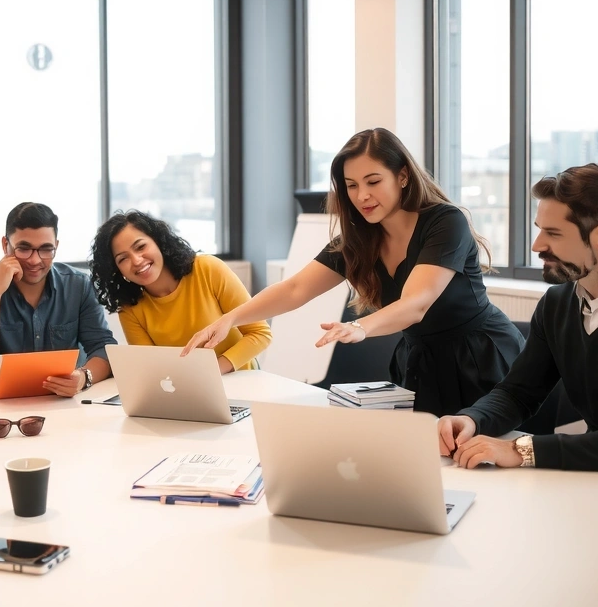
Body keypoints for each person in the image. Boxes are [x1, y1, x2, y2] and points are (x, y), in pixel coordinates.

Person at [184, 127, 524, 416]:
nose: (362, 196)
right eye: (351, 185)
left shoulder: (444, 221)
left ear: (403, 175)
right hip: (420, 363)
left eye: (373, 181)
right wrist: (229, 319)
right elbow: (295, 290)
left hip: (480, 357)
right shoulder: (358, 240)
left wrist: (359, 327)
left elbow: (417, 303)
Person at [440, 164, 598, 472]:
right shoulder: (557, 303)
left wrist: (523, 450)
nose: (537, 245)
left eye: (553, 233)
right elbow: (518, 393)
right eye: (539, 229)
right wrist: (472, 418)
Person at [0, 202, 116, 397]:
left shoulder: (79, 285)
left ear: (56, 246)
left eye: (46, 249)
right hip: (1, 405)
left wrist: (84, 377)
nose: (35, 260)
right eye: (24, 248)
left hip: (66, 403)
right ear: (6, 245)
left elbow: (104, 348)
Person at [90, 210, 271, 374]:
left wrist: (212, 372)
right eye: (123, 259)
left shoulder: (207, 269)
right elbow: (152, 368)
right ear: (116, 269)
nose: (136, 260)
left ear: (158, 241)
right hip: (186, 390)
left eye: (140, 247)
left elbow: (260, 333)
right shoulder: (130, 308)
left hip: (242, 381)